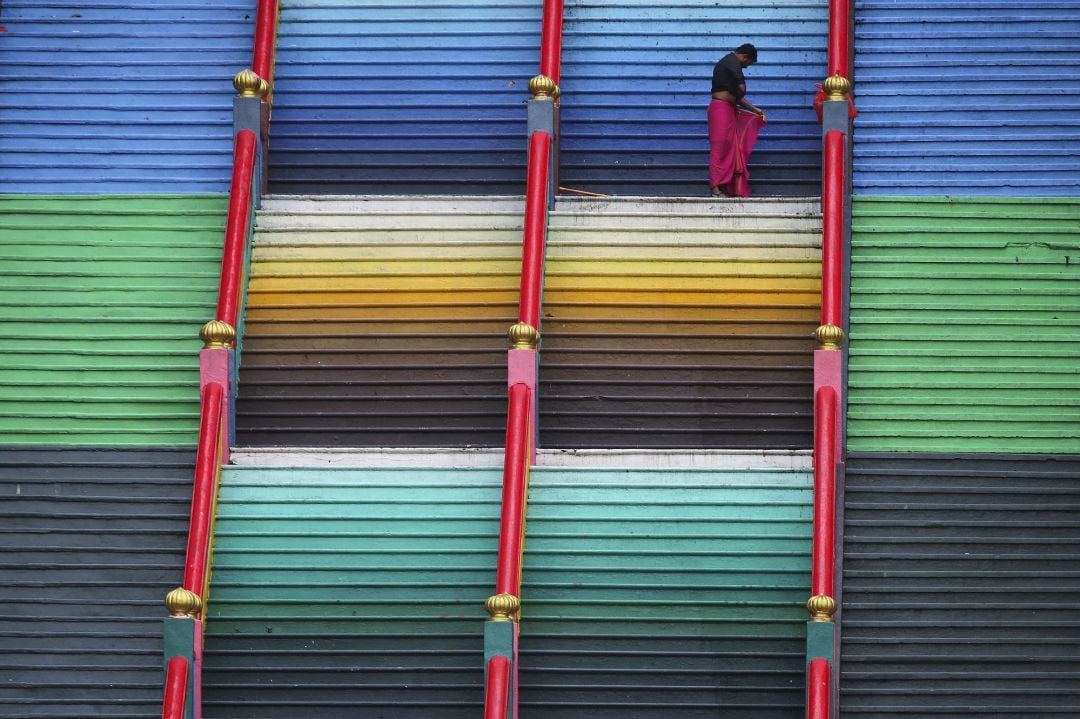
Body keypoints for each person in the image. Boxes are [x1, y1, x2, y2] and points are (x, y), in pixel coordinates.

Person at [709, 43, 767, 197]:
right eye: (748, 63)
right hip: (721, 109)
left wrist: (754, 110)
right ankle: (715, 187)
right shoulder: (732, 62)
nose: (746, 67)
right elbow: (741, 89)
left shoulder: (729, 63)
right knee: (720, 147)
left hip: (727, 109)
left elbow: (736, 97)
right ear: (745, 56)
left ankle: (723, 186)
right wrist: (741, 94)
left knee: (730, 148)